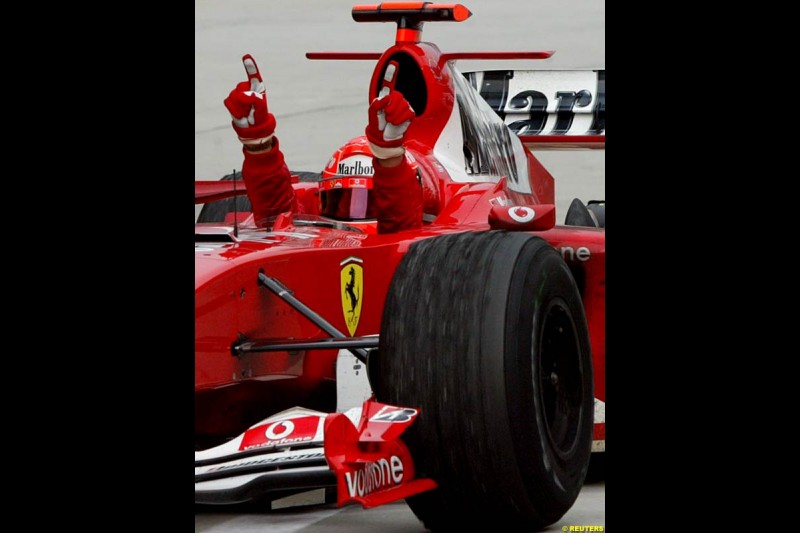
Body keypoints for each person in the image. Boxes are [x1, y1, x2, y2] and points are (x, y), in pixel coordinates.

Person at [223, 54, 423, 234]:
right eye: (340, 200)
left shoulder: (404, 204)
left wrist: (389, 157)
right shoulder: (318, 215)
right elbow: (275, 220)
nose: (350, 214)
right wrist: (259, 146)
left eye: (367, 204)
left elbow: (401, 226)